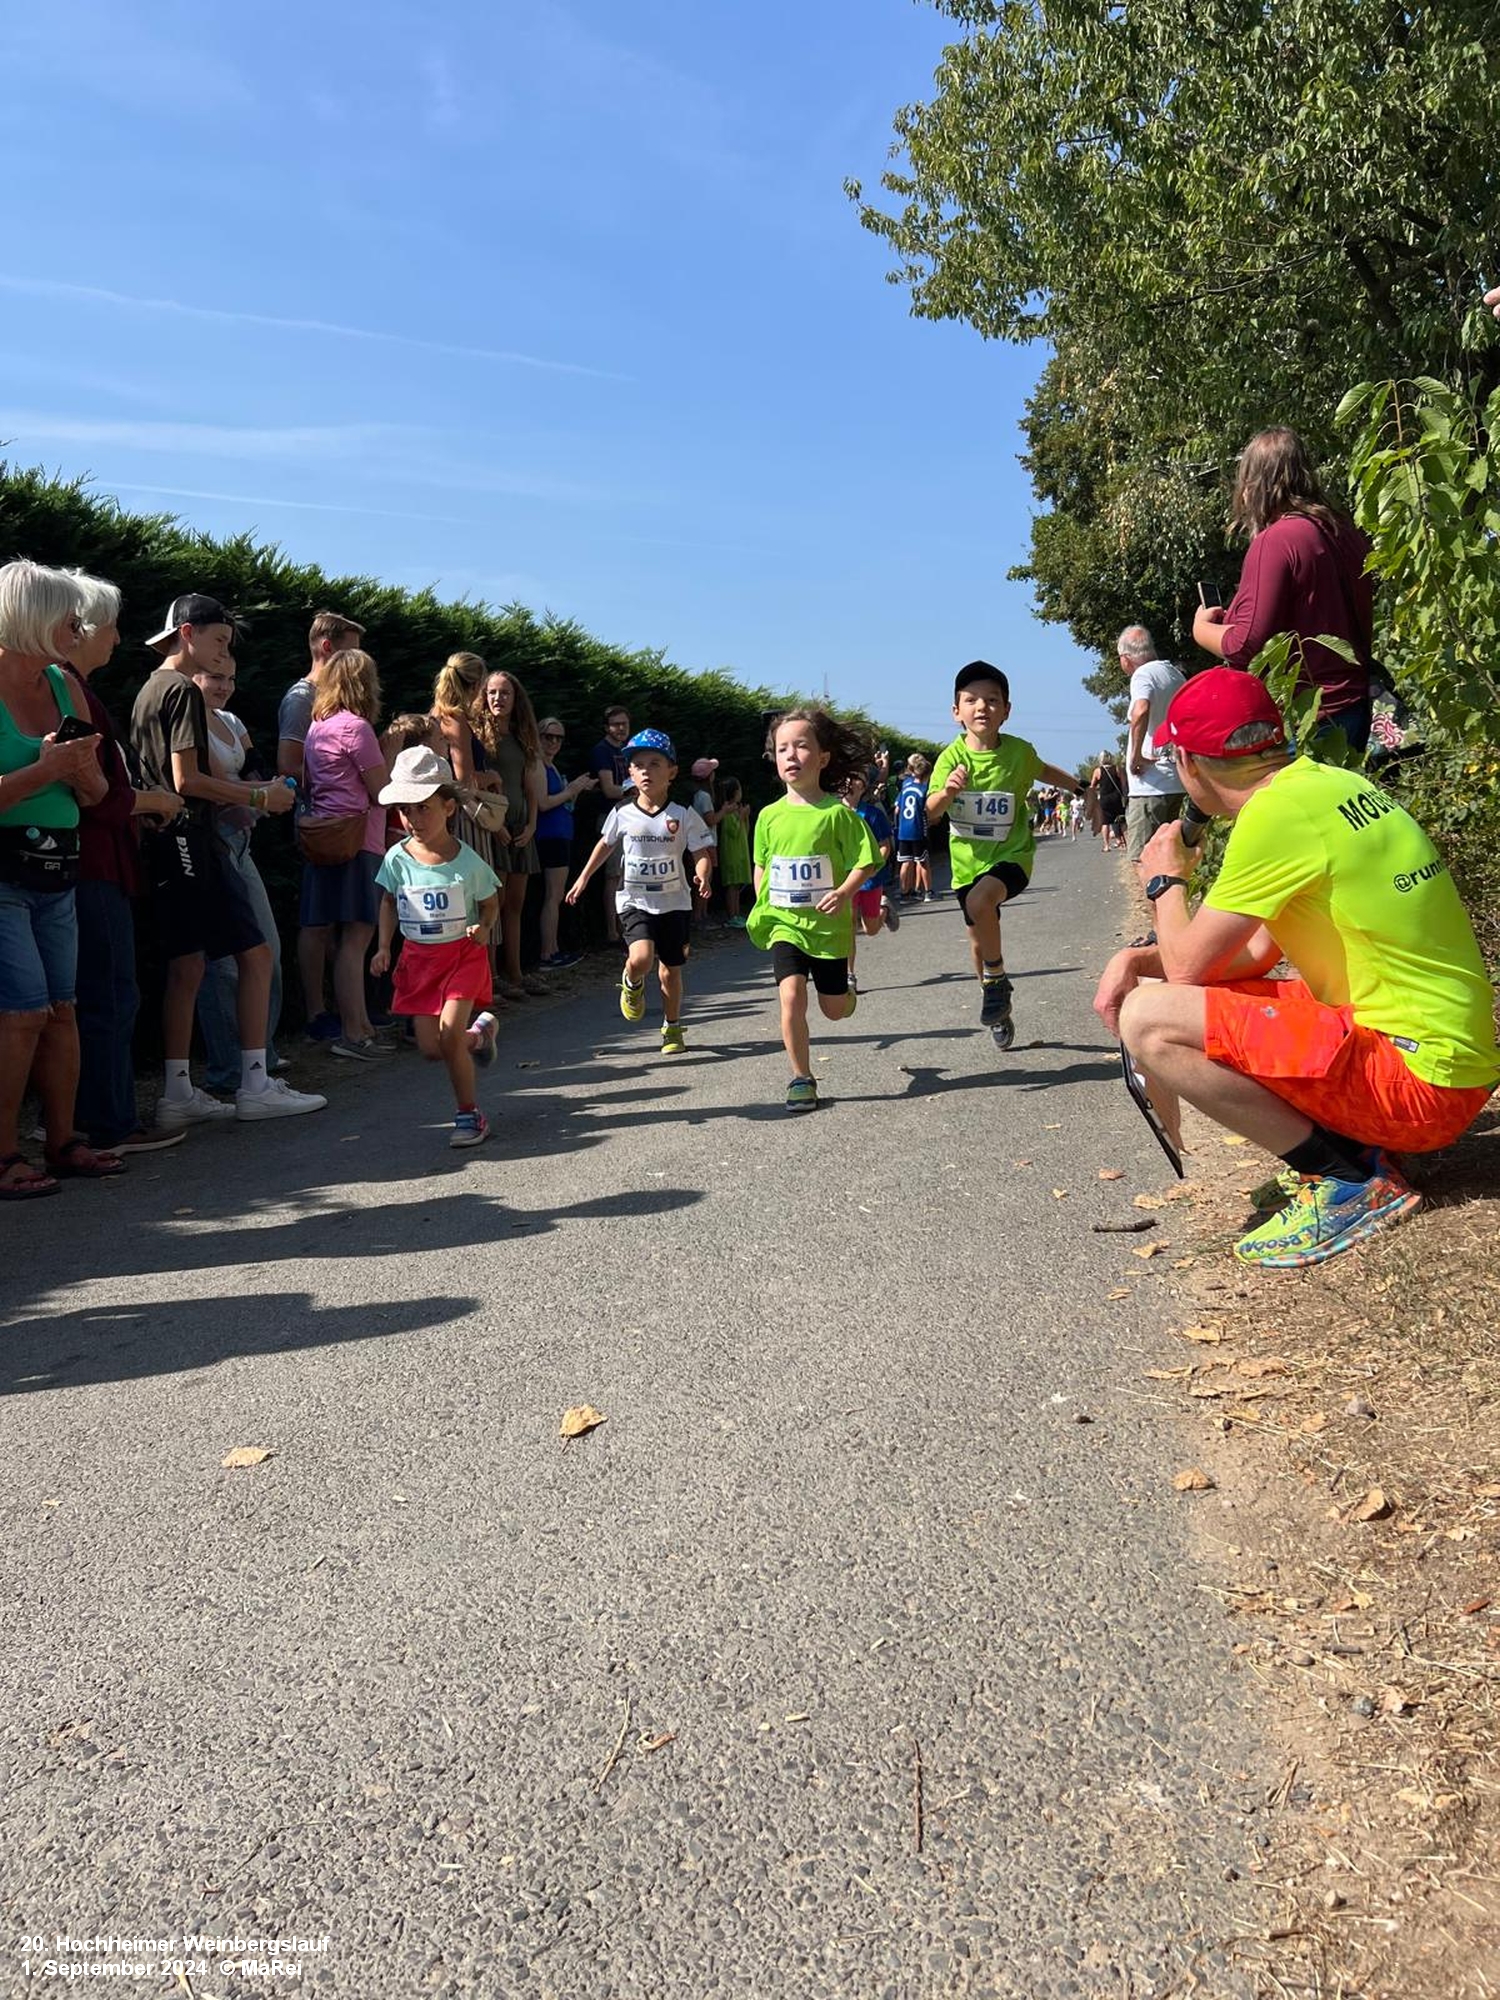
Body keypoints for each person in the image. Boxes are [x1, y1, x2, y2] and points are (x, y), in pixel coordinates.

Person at [1094, 668, 1499, 1269]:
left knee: (1149, 1019)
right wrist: (1137, 958)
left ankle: (1347, 1179)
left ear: (1188, 763)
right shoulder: (1327, 785)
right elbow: (1254, 953)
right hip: (1448, 1067)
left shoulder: (1274, 816)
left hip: (1420, 1089)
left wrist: (1164, 881)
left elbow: (1187, 969)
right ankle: (1352, 1151)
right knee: (1182, 995)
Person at [131, 593, 323, 1125]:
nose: (223, 654)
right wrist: (260, 796)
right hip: (193, 841)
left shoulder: (149, 688)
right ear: (187, 634)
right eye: (218, 641)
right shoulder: (181, 691)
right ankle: (255, 1084)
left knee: (189, 964)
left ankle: (177, 1094)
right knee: (256, 955)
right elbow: (186, 780)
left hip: (166, 843)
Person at [0, 560, 123, 1197]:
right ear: (33, 619)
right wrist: (47, 771)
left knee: (62, 1011)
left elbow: (97, 792)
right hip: (5, 872)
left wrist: (80, 772)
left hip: (59, 866)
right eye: (70, 620)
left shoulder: (63, 683)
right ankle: (4, 1156)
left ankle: (63, 1141)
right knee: (23, 1013)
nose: (80, 631)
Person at [63, 569, 185, 1156]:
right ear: (81, 627)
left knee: (99, 993)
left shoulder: (72, 690)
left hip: (96, 860)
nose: (116, 638)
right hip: (93, 864)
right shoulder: (70, 691)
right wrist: (154, 801)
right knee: (109, 992)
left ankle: (93, 1117)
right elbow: (96, 793)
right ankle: (108, 1122)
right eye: (110, 626)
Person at [925, 662, 1083, 1050]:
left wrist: (1082, 789)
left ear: (1007, 710)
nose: (982, 707)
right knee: (978, 941)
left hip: (1013, 857)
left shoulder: (1018, 752)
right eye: (971, 700)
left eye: (992, 700)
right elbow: (930, 812)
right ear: (956, 711)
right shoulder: (950, 759)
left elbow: (1045, 772)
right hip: (967, 864)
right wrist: (947, 792)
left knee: (982, 902)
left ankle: (996, 979)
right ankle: (996, 1003)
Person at [1192, 426, 1375, 750]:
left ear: (1255, 484)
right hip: (1357, 705)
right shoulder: (1344, 532)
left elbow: (1244, 646)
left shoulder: (1276, 541)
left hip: (1309, 716)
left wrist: (1201, 630)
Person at [747, 708, 882, 1112]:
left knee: (834, 1010)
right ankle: (801, 1077)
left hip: (827, 930)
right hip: (785, 925)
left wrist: (843, 892)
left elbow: (866, 861)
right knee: (790, 996)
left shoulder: (838, 814)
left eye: (801, 746)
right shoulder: (768, 816)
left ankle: (846, 993)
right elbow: (762, 865)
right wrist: (762, 901)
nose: (791, 755)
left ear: (823, 758)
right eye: (782, 748)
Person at [371, 747, 500, 1149]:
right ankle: (480, 1036)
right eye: (405, 810)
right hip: (418, 961)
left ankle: (469, 1114)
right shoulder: (396, 858)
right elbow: (388, 901)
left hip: (462, 956)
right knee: (431, 1048)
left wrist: (483, 928)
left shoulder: (468, 862)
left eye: (423, 808)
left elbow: (491, 903)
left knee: (448, 1036)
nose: (413, 819)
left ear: (448, 807)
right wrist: (383, 947)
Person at [565, 729, 713, 1056]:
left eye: (655, 764)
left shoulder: (683, 814)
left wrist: (702, 877)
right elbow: (605, 845)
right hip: (635, 900)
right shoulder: (623, 813)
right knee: (642, 957)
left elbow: (701, 853)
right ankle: (632, 981)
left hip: (675, 902)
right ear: (630, 773)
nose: (646, 771)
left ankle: (672, 1026)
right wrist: (583, 878)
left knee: (671, 969)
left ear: (672, 772)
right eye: (639, 765)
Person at [191, 654, 285, 1097]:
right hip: (214, 843)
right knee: (225, 965)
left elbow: (254, 767)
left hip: (243, 843)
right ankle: (230, 1070)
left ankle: (261, 1058)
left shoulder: (231, 721)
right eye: (215, 676)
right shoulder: (189, 721)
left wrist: (269, 789)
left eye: (230, 677)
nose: (224, 686)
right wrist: (263, 794)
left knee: (269, 951)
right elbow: (211, 785)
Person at [278, 609, 366, 1041]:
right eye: (352, 653)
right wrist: (337, 781)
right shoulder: (302, 698)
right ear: (327, 648)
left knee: (338, 918)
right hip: (320, 824)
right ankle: (316, 1013)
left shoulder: (334, 698)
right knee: (317, 920)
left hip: (339, 822)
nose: (358, 664)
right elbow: (287, 765)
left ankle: (343, 1009)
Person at [300, 647, 390, 1063]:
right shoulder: (357, 728)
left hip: (326, 838)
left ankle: (360, 1026)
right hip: (360, 841)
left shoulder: (317, 727)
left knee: (341, 937)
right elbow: (381, 792)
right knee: (357, 938)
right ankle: (354, 1032)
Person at [473, 669, 546, 999]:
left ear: (516, 699)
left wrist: (531, 825)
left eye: (504, 692)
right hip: (493, 829)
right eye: (492, 692)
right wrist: (497, 827)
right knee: (493, 905)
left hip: (521, 830)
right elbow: (473, 785)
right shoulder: (479, 737)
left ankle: (515, 973)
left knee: (515, 905)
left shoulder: (522, 737)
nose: (497, 698)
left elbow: (530, 788)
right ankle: (490, 978)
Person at [1120, 625, 1186, 863]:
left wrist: (1136, 756)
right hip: (1176, 779)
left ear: (1126, 658)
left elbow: (1141, 710)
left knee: (1142, 860)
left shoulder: (1142, 675)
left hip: (1150, 784)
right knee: (1169, 859)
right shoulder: (1175, 674)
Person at [535, 715, 596, 968]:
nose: (553, 742)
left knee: (555, 895)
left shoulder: (550, 766)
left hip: (560, 833)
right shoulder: (538, 765)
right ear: (538, 736)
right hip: (550, 835)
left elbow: (562, 801)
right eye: (548, 736)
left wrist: (576, 790)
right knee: (553, 895)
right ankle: (548, 953)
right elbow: (543, 803)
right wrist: (571, 790)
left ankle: (553, 949)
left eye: (558, 738)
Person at [841, 770, 899, 969]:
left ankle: (884, 909)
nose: (850, 783)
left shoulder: (873, 814)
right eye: (847, 778)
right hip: (845, 878)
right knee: (848, 927)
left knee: (871, 929)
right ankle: (849, 974)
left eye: (856, 779)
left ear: (863, 786)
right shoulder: (833, 813)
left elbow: (885, 846)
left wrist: (873, 867)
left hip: (870, 879)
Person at [588, 704, 634, 943]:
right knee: (613, 876)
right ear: (607, 727)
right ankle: (612, 931)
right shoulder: (602, 751)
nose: (621, 728)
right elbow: (608, 788)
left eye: (624, 724)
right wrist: (634, 791)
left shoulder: (629, 750)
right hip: (611, 818)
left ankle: (627, 926)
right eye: (616, 724)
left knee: (629, 875)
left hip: (632, 817)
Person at [894, 754, 933, 900]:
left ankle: (904, 893)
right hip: (918, 829)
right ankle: (928, 892)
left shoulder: (906, 785)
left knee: (906, 861)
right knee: (923, 861)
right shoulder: (925, 789)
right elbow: (929, 810)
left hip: (903, 830)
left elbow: (897, 809)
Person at [716, 776, 752, 925]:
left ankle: (737, 914)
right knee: (732, 885)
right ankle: (732, 916)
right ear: (735, 792)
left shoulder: (736, 809)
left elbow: (745, 830)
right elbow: (733, 831)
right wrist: (741, 816)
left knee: (737, 885)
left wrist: (745, 817)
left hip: (740, 851)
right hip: (731, 852)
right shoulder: (728, 810)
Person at [1090, 751, 1127, 853]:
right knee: (1121, 821)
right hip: (1117, 798)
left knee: (1105, 822)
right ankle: (1126, 843)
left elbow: (1092, 786)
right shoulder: (1117, 768)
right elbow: (1124, 783)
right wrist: (1124, 795)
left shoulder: (1098, 771)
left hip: (1104, 799)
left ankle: (1106, 846)